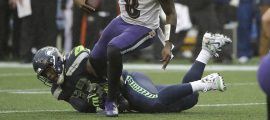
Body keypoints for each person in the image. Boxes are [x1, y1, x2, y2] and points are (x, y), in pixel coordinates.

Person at [72, 0, 177, 116]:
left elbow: (170, 13)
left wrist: (168, 43)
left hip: (145, 28)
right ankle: (116, 90)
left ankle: (111, 101)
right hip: (123, 21)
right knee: (95, 60)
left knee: (113, 48)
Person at [32, 32, 231, 114]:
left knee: (154, 101)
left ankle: (207, 83)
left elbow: (106, 66)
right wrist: (92, 101)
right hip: (123, 99)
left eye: (49, 71)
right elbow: (82, 107)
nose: (49, 76)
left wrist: (114, 93)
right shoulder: (59, 91)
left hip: (125, 81)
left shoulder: (76, 59)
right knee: (189, 100)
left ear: (57, 61)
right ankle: (206, 49)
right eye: (45, 75)